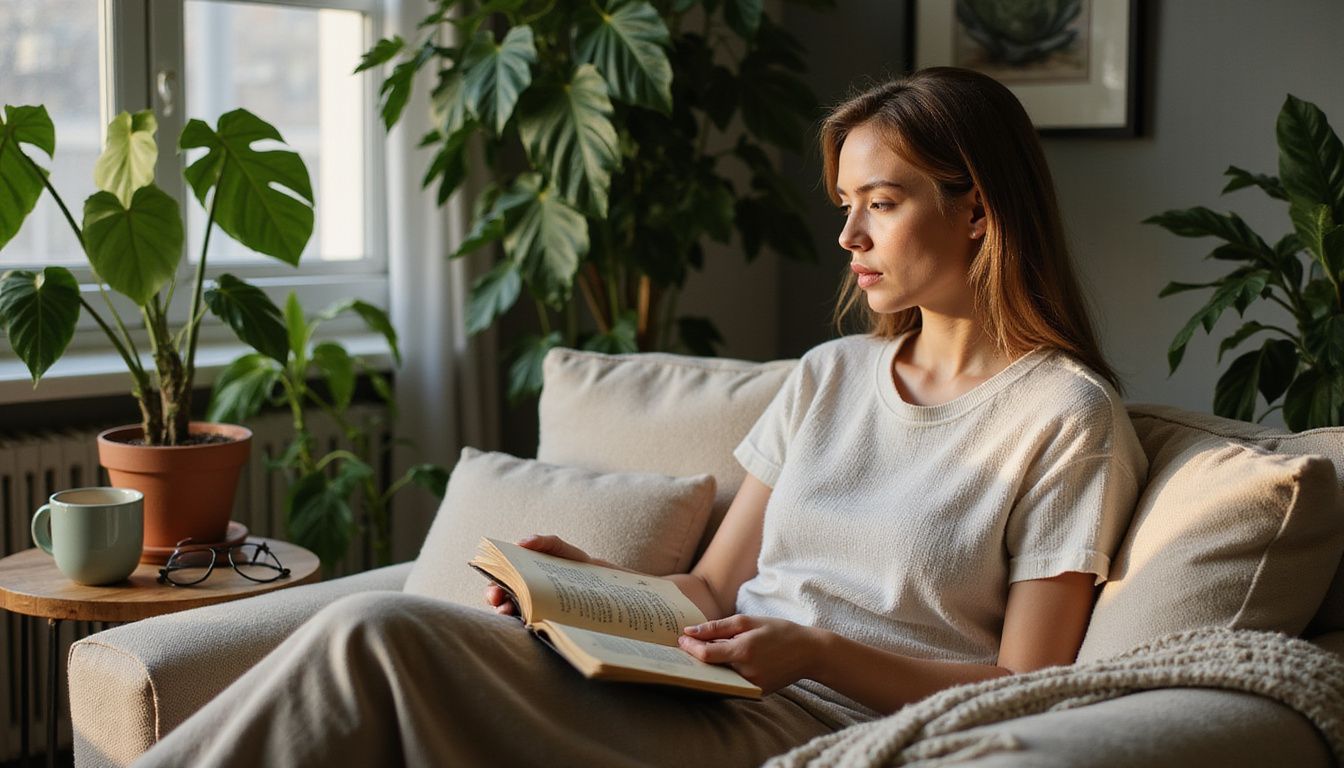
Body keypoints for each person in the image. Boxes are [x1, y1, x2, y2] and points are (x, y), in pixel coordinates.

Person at [135, 67, 1145, 767]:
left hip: (810, 727)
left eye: (879, 202)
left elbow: (1029, 680)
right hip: (707, 687)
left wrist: (817, 652)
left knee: (375, 635)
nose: (846, 235)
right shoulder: (830, 376)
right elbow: (709, 585)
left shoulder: (1064, 416)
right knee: (380, 640)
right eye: (843, 203)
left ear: (976, 209)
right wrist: (580, 581)